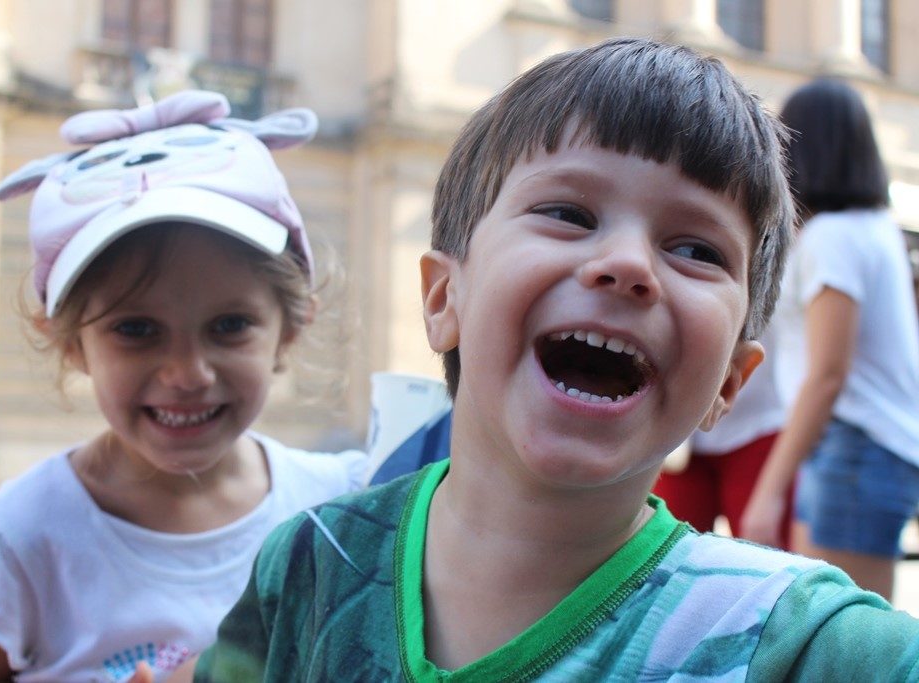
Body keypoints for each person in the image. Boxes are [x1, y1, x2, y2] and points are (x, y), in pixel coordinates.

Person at [175, 39, 919, 681]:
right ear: (443, 299)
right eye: (569, 213)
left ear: (731, 378)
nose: (629, 263)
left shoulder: (809, 645)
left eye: (695, 249)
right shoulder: (308, 566)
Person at [0, 91, 369, 682]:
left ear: (290, 328)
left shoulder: (342, 511)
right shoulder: (20, 540)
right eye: (136, 330)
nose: (187, 373)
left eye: (229, 326)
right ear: (68, 342)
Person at [742, 78, 919, 601]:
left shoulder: (834, 238)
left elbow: (827, 374)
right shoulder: (875, 227)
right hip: (867, 448)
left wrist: (768, 492)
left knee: (843, 637)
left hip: (852, 446)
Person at [652, 326, 792, 548]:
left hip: (756, 427)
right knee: (662, 556)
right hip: (679, 441)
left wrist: (770, 494)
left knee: (763, 554)